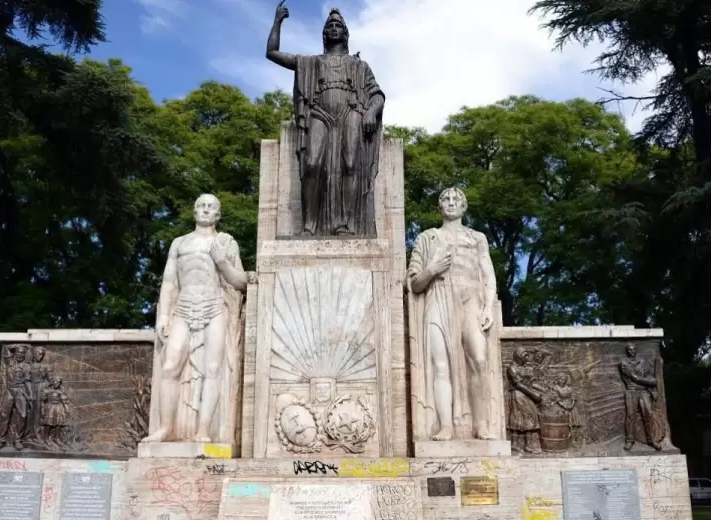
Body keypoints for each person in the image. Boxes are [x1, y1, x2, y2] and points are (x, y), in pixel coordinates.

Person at [266, 1, 385, 237]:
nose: (333, 28)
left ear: (345, 33)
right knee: (311, 164)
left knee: (351, 164)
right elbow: (272, 53)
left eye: (337, 25)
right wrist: (277, 22)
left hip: (351, 113)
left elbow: (377, 95)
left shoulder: (359, 65)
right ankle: (310, 224)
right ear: (324, 34)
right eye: (329, 25)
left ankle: (346, 224)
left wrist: (371, 111)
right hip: (319, 113)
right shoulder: (311, 62)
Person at [142, 194, 247, 443]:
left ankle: (203, 430)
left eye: (211, 207)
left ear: (218, 215)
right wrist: (164, 314)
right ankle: (166, 428)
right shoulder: (179, 243)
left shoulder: (225, 242)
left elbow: (241, 282)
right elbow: (169, 282)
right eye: (201, 205)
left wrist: (222, 262)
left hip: (214, 306)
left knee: (213, 368)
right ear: (194, 211)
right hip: (184, 306)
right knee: (170, 367)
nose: (206, 209)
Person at [407, 188, 498, 441]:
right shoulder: (427, 238)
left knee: (479, 360)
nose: (450, 203)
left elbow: (488, 273)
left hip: (470, 300)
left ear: (464, 207)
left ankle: (481, 424)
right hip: (438, 299)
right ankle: (445, 425)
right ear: (439, 207)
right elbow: (414, 283)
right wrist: (432, 269)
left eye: (456, 200)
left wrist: (488, 306)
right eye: (445, 199)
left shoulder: (476, 238)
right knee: (440, 365)